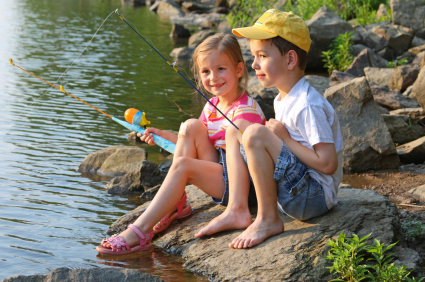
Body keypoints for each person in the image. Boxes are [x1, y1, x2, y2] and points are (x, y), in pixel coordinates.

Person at [96, 33, 266, 255]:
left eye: (221, 69)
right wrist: (162, 136)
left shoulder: (246, 111)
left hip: (242, 187)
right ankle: (177, 203)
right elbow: (198, 143)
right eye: (206, 71)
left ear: (239, 70)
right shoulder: (212, 104)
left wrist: (185, 167)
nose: (213, 77)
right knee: (191, 126)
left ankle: (139, 231)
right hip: (221, 170)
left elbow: (250, 162)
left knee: (183, 166)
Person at [196, 9, 344, 249]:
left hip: (313, 197)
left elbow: (328, 164)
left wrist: (284, 138)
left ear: (290, 60)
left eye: (262, 55)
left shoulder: (308, 105)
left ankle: (268, 219)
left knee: (254, 133)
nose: (254, 64)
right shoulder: (282, 98)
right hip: (295, 187)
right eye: (254, 56)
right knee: (237, 128)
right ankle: (237, 208)